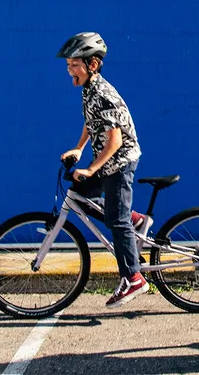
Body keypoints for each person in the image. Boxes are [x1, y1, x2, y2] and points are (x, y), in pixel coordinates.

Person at [56, 32, 150, 308]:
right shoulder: (89, 90)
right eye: (68, 65)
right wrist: (79, 149)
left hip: (119, 162)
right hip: (105, 160)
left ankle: (133, 278)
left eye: (74, 64)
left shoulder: (103, 93)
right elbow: (91, 122)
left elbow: (115, 141)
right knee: (81, 194)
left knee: (115, 220)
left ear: (92, 65)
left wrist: (91, 168)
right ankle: (136, 220)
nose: (69, 70)